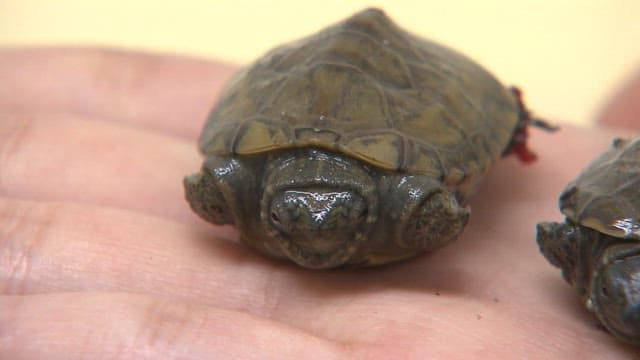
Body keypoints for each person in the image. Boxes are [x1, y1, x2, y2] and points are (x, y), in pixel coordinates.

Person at [0, 48, 638, 358]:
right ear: (265, 205)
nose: (316, 236)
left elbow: (429, 199)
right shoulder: (241, 183)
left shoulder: (403, 193)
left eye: (349, 219)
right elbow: (216, 177)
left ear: (372, 210)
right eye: (286, 219)